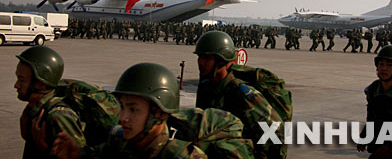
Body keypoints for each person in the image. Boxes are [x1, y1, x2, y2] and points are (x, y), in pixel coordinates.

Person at [51, 63, 254, 159]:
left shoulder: (181, 156)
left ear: (161, 114)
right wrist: (76, 153)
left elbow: (272, 126)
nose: (122, 117)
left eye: (133, 109)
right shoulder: (120, 140)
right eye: (122, 107)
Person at [194, 31, 288, 159]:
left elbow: (275, 131)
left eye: (207, 58)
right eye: (200, 57)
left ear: (221, 61)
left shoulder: (241, 93)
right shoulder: (207, 87)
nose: (201, 62)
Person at [14, 46, 86, 158]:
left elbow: (75, 155)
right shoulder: (35, 108)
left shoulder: (59, 116)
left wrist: (43, 148)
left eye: (22, 80)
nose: (16, 85)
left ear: (40, 83)